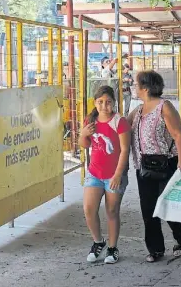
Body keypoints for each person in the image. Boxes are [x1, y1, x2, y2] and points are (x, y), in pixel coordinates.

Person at [128, 70, 181, 263]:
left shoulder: (165, 107)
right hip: (143, 166)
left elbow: (178, 134)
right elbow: (121, 126)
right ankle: (155, 249)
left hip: (166, 164)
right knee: (148, 208)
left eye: (136, 85)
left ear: (145, 88)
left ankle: (180, 238)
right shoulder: (138, 110)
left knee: (168, 207)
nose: (134, 88)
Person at [78, 85, 130, 264]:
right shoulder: (90, 120)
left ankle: (113, 248)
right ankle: (98, 242)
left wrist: (117, 175)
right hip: (94, 174)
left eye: (108, 102)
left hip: (114, 176)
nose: (104, 106)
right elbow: (84, 145)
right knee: (89, 209)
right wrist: (83, 134)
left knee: (112, 211)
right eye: (100, 102)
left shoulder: (120, 122)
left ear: (114, 103)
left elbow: (124, 150)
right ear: (95, 103)